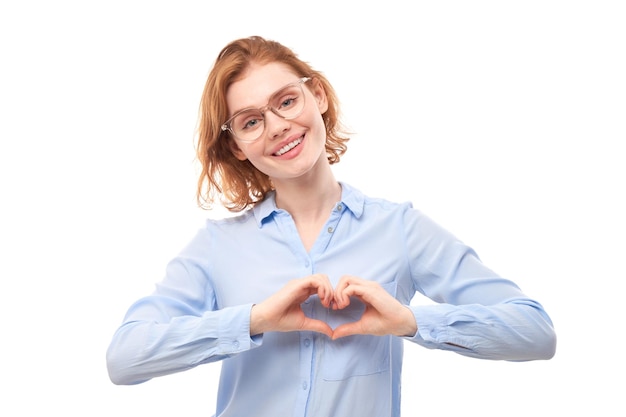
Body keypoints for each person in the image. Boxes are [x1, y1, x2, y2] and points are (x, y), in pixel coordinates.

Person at [106, 36, 556, 416]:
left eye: (286, 101)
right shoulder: (217, 246)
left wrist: (411, 322)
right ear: (238, 146)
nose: (278, 127)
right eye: (251, 121)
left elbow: (534, 331)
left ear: (316, 96)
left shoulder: (400, 229)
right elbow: (125, 358)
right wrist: (254, 320)